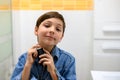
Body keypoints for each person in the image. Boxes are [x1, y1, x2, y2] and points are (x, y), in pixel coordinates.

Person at [11, 11, 76, 80]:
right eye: (47, 26)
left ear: (61, 37)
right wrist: (28, 65)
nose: (52, 30)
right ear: (36, 30)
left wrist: (53, 72)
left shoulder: (68, 60)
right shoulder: (24, 58)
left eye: (58, 29)